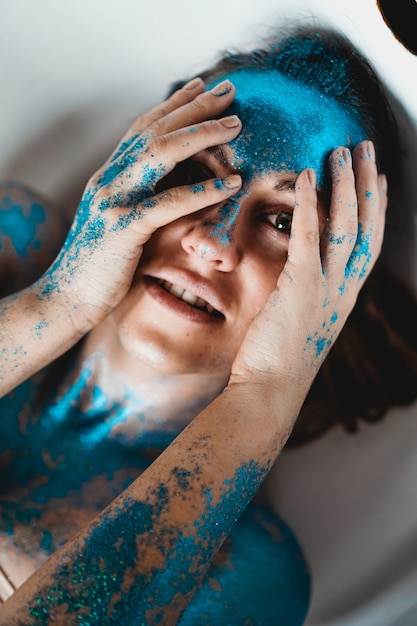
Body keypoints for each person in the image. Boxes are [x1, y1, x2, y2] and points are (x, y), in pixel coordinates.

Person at [0, 22, 416, 625]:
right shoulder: (13, 240)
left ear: (333, 297)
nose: (211, 243)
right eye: (198, 176)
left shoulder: (247, 572)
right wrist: (54, 304)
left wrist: (267, 395)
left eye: (282, 221)